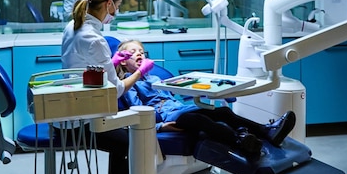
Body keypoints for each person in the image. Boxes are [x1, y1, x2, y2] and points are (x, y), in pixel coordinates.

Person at [61, 0, 155, 174]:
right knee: (130, 144)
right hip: (81, 122)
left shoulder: (73, 26)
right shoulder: (94, 39)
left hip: (71, 110)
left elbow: (86, 69)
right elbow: (115, 91)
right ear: (110, 4)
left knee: (123, 140)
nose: (118, 12)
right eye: (118, 6)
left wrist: (111, 63)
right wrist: (138, 71)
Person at [115, 39, 296, 155]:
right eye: (133, 52)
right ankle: (239, 140)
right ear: (122, 60)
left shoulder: (154, 77)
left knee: (224, 111)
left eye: (141, 51)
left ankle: (266, 131)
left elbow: (173, 95)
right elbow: (139, 114)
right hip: (169, 117)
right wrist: (161, 127)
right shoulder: (128, 85)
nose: (139, 54)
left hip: (179, 108)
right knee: (197, 119)